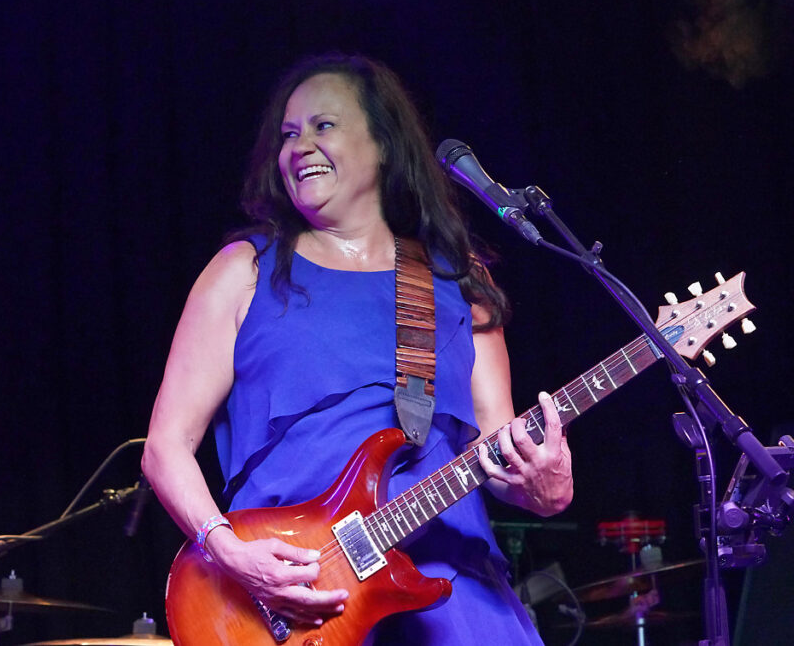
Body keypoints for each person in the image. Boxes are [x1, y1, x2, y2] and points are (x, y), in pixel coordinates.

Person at [142, 52, 573, 644]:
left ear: (384, 144)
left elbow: (497, 452)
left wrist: (545, 487)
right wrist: (227, 550)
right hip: (294, 599)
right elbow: (165, 447)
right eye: (288, 134)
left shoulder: (460, 281)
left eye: (323, 125)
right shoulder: (243, 272)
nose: (299, 147)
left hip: (450, 591)